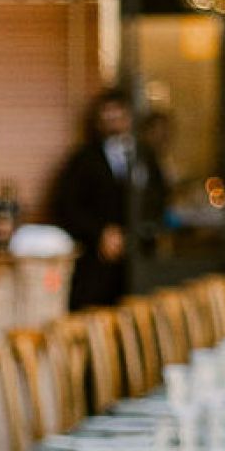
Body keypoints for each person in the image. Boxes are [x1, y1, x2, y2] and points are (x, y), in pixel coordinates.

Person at [50, 87, 158, 309]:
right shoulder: (83, 160)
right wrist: (100, 233)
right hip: (96, 263)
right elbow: (67, 206)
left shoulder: (145, 156)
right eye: (108, 116)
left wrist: (136, 233)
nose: (114, 122)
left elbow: (158, 199)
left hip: (139, 257)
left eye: (119, 115)